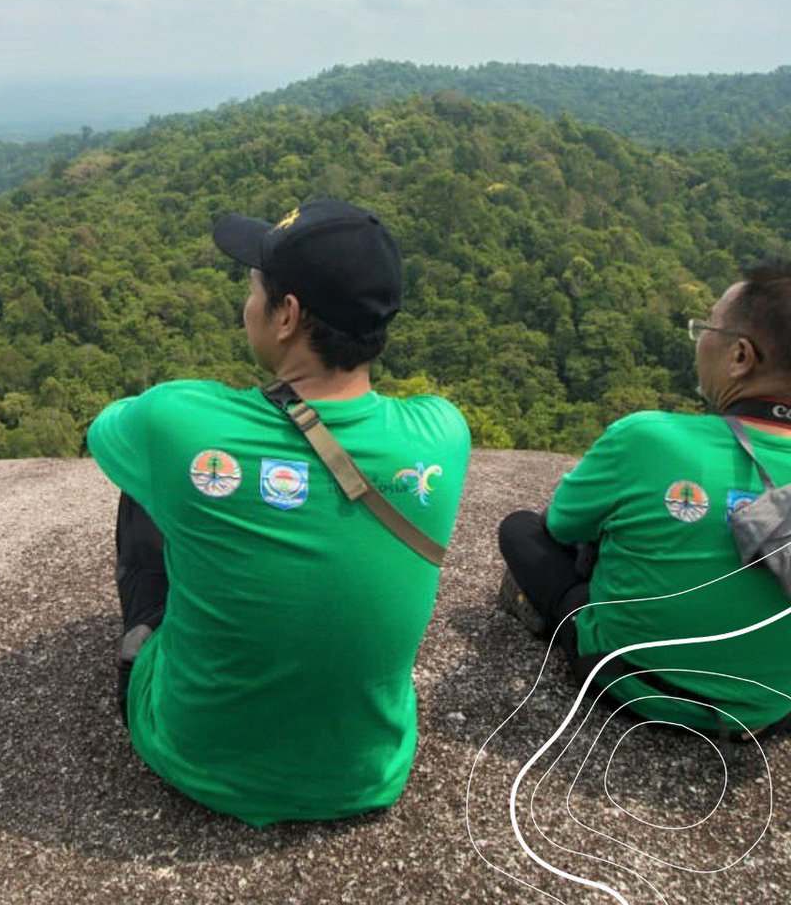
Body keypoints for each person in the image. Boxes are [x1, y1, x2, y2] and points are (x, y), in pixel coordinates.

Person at [87, 198, 470, 826]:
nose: (247, 303)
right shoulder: (442, 434)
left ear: (287, 315)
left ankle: (143, 641)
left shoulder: (179, 420)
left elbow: (103, 433)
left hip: (193, 756)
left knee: (149, 489)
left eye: (255, 287)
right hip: (366, 772)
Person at [498, 259, 791, 737]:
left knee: (520, 530)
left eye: (706, 328)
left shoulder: (648, 438)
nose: (700, 340)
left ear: (741, 356)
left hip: (631, 683)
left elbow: (560, 530)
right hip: (767, 712)